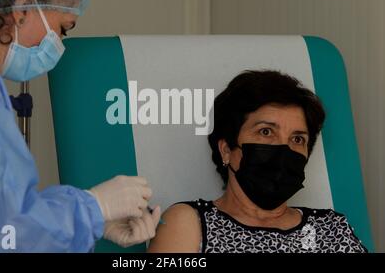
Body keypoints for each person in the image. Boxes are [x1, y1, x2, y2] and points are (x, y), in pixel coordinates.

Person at [0, 0, 160, 252]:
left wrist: (93, 226)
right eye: (63, 28)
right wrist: (92, 207)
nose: (59, 44)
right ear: (23, 8)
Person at [148, 70, 367, 253]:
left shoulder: (331, 228)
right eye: (266, 131)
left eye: (297, 139)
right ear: (226, 149)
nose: (284, 149)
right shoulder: (190, 223)